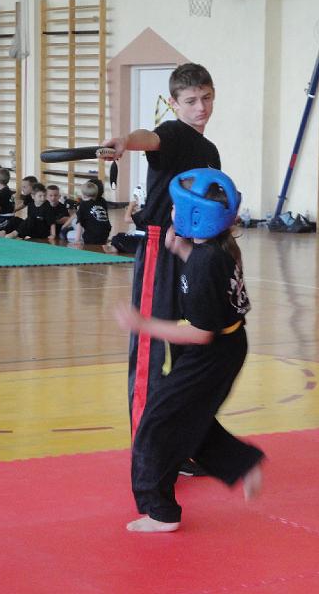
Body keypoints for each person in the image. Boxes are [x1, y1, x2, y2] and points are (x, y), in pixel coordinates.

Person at [114, 168, 264, 533]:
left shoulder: (205, 264)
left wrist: (144, 324)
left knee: (157, 422)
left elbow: (200, 334)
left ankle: (160, 511)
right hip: (228, 346)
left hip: (211, 354)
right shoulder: (215, 249)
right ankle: (241, 462)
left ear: (196, 217)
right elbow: (204, 278)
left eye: (177, 209)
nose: (172, 214)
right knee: (188, 418)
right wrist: (181, 248)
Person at [101, 63, 221, 464]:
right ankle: (148, 451)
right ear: (174, 102)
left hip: (195, 252)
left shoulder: (210, 151)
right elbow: (148, 139)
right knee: (150, 350)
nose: (201, 107)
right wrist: (124, 141)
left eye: (206, 98)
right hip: (160, 250)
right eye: (191, 100)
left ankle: (187, 445)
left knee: (191, 351)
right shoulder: (172, 133)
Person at [66, 180, 111, 244]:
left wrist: (77, 240)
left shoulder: (83, 204)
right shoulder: (102, 201)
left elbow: (79, 223)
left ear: (83, 195)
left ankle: (72, 232)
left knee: (67, 234)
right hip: (104, 236)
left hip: (91, 237)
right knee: (75, 221)